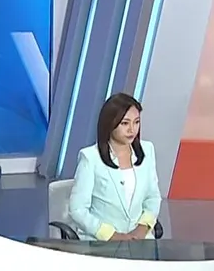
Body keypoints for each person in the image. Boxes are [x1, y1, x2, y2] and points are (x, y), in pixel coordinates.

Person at [67, 92, 162, 241]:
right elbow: (77, 210)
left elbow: (153, 197)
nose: (132, 129)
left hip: (140, 240)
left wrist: (141, 230)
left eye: (136, 122)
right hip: (102, 242)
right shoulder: (90, 158)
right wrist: (112, 236)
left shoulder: (147, 150)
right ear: (110, 123)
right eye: (125, 123)